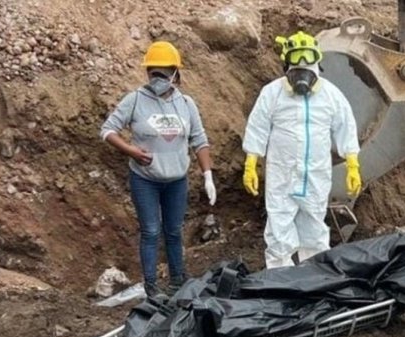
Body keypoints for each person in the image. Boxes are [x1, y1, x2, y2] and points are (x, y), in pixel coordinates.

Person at [101, 41, 214, 299]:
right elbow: (107, 130)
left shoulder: (186, 104)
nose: (158, 78)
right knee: (151, 231)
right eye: (153, 72)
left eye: (164, 73)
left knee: (174, 230)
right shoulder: (135, 100)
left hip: (177, 180)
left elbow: (199, 139)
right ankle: (151, 284)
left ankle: (177, 278)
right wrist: (131, 151)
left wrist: (207, 175)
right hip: (146, 180)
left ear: (175, 73)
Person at [241, 31, 362, 268]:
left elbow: (345, 128)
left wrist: (353, 165)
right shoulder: (272, 93)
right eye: (296, 73)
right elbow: (258, 128)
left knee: (315, 228)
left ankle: (313, 279)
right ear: (286, 67)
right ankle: (280, 280)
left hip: (315, 175)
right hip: (282, 175)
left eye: (308, 73)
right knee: (279, 227)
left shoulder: (330, 95)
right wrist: (250, 163)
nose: (302, 79)